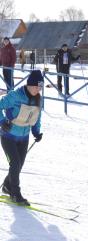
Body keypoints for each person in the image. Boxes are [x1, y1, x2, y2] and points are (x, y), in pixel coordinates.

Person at [0, 70, 44, 206]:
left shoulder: (38, 99)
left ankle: (7, 185)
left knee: (19, 165)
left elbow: (37, 117)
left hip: (24, 137)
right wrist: (2, 121)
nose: (38, 89)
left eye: (40, 87)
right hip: (8, 136)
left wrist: (36, 132)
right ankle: (15, 193)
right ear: (29, 85)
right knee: (15, 163)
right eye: (36, 86)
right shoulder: (15, 96)